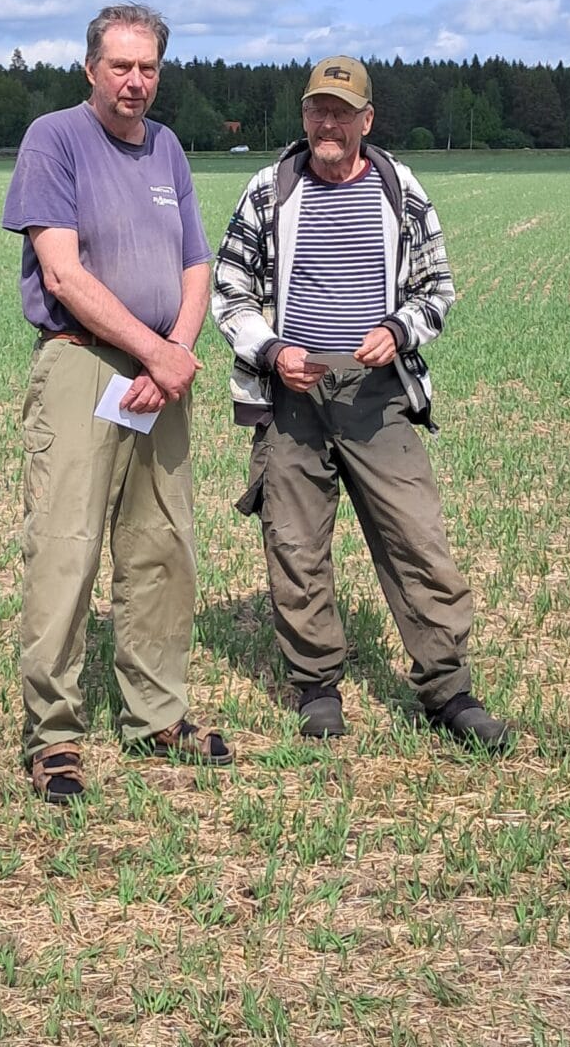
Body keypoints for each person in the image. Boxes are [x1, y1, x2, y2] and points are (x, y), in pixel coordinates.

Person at [212, 56, 511, 749]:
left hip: (377, 396)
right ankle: (316, 686)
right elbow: (229, 289)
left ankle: (448, 690)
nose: (328, 123)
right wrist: (271, 352)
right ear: (304, 116)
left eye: (342, 112)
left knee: (417, 539)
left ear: (366, 121)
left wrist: (398, 330)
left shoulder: (400, 189)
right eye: (318, 109)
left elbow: (436, 288)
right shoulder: (268, 190)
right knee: (295, 545)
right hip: (293, 390)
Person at [2, 3, 233, 803]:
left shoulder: (167, 147)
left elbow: (197, 265)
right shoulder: (54, 139)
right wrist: (155, 351)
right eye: (120, 66)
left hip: (163, 377)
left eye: (148, 68)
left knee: (162, 546)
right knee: (65, 549)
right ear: (90, 69)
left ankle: (156, 715)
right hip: (83, 367)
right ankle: (54, 736)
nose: (135, 81)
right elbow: (62, 274)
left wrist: (176, 356)